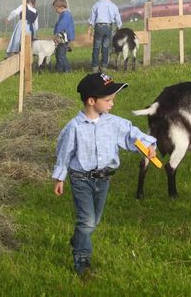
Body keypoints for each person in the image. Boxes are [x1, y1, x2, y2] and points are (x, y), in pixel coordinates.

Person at [52, 72, 157, 277]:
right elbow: (64, 152)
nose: (112, 104)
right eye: (108, 100)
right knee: (87, 221)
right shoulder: (74, 127)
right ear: (91, 101)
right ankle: (82, 260)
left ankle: (79, 238)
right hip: (81, 178)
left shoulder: (114, 123)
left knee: (94, 221)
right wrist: (60, 177)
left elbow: (131, 135)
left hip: (104, 179)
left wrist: (148, 146)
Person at [88, 0, 121, 72]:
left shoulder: (96, 5)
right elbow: (118, 19)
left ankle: (95, 67)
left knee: (96, 47)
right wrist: (119, 27)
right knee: (106, 48)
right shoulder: (113, 6)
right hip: (108, 27)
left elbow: (92, 18)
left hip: (99, 27)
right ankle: (104, 66)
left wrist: (89, 28)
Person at [52, 0, 75, 73]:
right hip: (62, 38)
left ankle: (67, 69)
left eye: (56, 8)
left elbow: (61, 25)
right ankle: (59, 69)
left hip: (64, 38)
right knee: (58, 54)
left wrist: (56, 33)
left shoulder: (66, 15)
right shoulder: (63, 14)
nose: (55, 10)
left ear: (61, 7)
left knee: (61, 55)